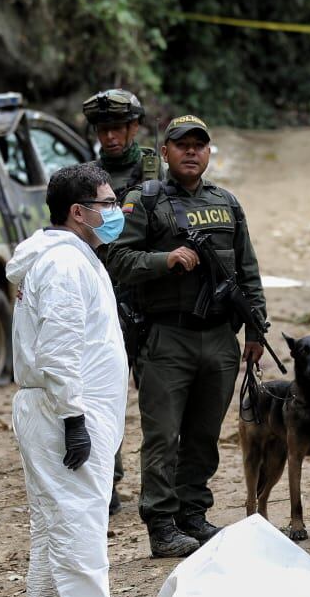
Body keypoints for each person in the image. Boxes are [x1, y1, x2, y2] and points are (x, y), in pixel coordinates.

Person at [7, 162, 152, 597]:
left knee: (53, 527)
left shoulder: (64, 257)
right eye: (108, 204)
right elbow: (60, 349)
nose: (116, 213)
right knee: (79, 529)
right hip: (64, 409)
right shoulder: (65, 266)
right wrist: (73, 418)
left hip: (59, 408)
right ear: (78, 211)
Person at [107, 114, 268, 558]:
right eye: (182, 145)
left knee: (203, 434)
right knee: (162, 436)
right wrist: (165, 260)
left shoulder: (226, 202)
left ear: (209, 151)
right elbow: (117, 261)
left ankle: (192, 514)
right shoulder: (144, 200)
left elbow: (247, 269)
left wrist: (255, 326)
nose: (191, 151)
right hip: (167, 337)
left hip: (219, 338)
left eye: (200, 144)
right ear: (165, 152)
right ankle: (161, 523)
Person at [81, 87, 160, 515]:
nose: (110, 137)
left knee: (157, 400)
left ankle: (158, 490)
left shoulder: (156, 170)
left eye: (118, 128)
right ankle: (106, 481)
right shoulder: (86, 176)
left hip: (148, 294)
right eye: (102, 129)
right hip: (104, 295)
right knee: (102, 395)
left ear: (134, 127)